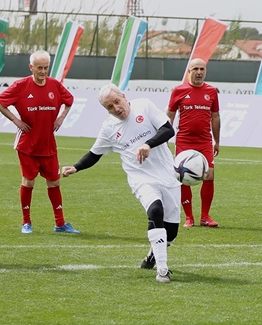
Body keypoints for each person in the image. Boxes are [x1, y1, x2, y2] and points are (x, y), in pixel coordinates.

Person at [61, 84, 181, 284]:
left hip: (167, 176)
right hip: (140, 178)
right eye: (109, 107)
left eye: (117, 102)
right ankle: (162, 270)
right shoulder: (109, 128)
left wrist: (148, 144)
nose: (116, 108)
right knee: (155, 211)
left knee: (172, 232)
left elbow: (168, 130)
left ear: (124, 97)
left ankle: (153, 255)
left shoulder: (144, 105)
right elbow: (95, 153)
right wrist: (76, 167)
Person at [0, 50, 79, 234]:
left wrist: (61, 118)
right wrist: (16, 120)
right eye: (39, 68)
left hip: (48, 145)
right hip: (27, 146)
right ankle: (26, 223)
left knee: (54, 183)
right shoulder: (20, 86)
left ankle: (60, 223)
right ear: (31, 67)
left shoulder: (55, 85)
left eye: (46, 67)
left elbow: (69, 101)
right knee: (28, 182)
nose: (43, 71)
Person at [167, 58, 221, 228]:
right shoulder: (178, 90)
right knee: (182, 177)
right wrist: (164, 139)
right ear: (189, 71)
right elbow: (169, 115)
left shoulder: (211, 91)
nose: (199, 72)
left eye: (202, 69)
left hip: (204, 141)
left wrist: (216, 141)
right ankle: (189, 217)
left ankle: (205, 216)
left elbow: (215, 116)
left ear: (205, 71)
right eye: (195, 69)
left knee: (210, 175)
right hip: (184, 140)